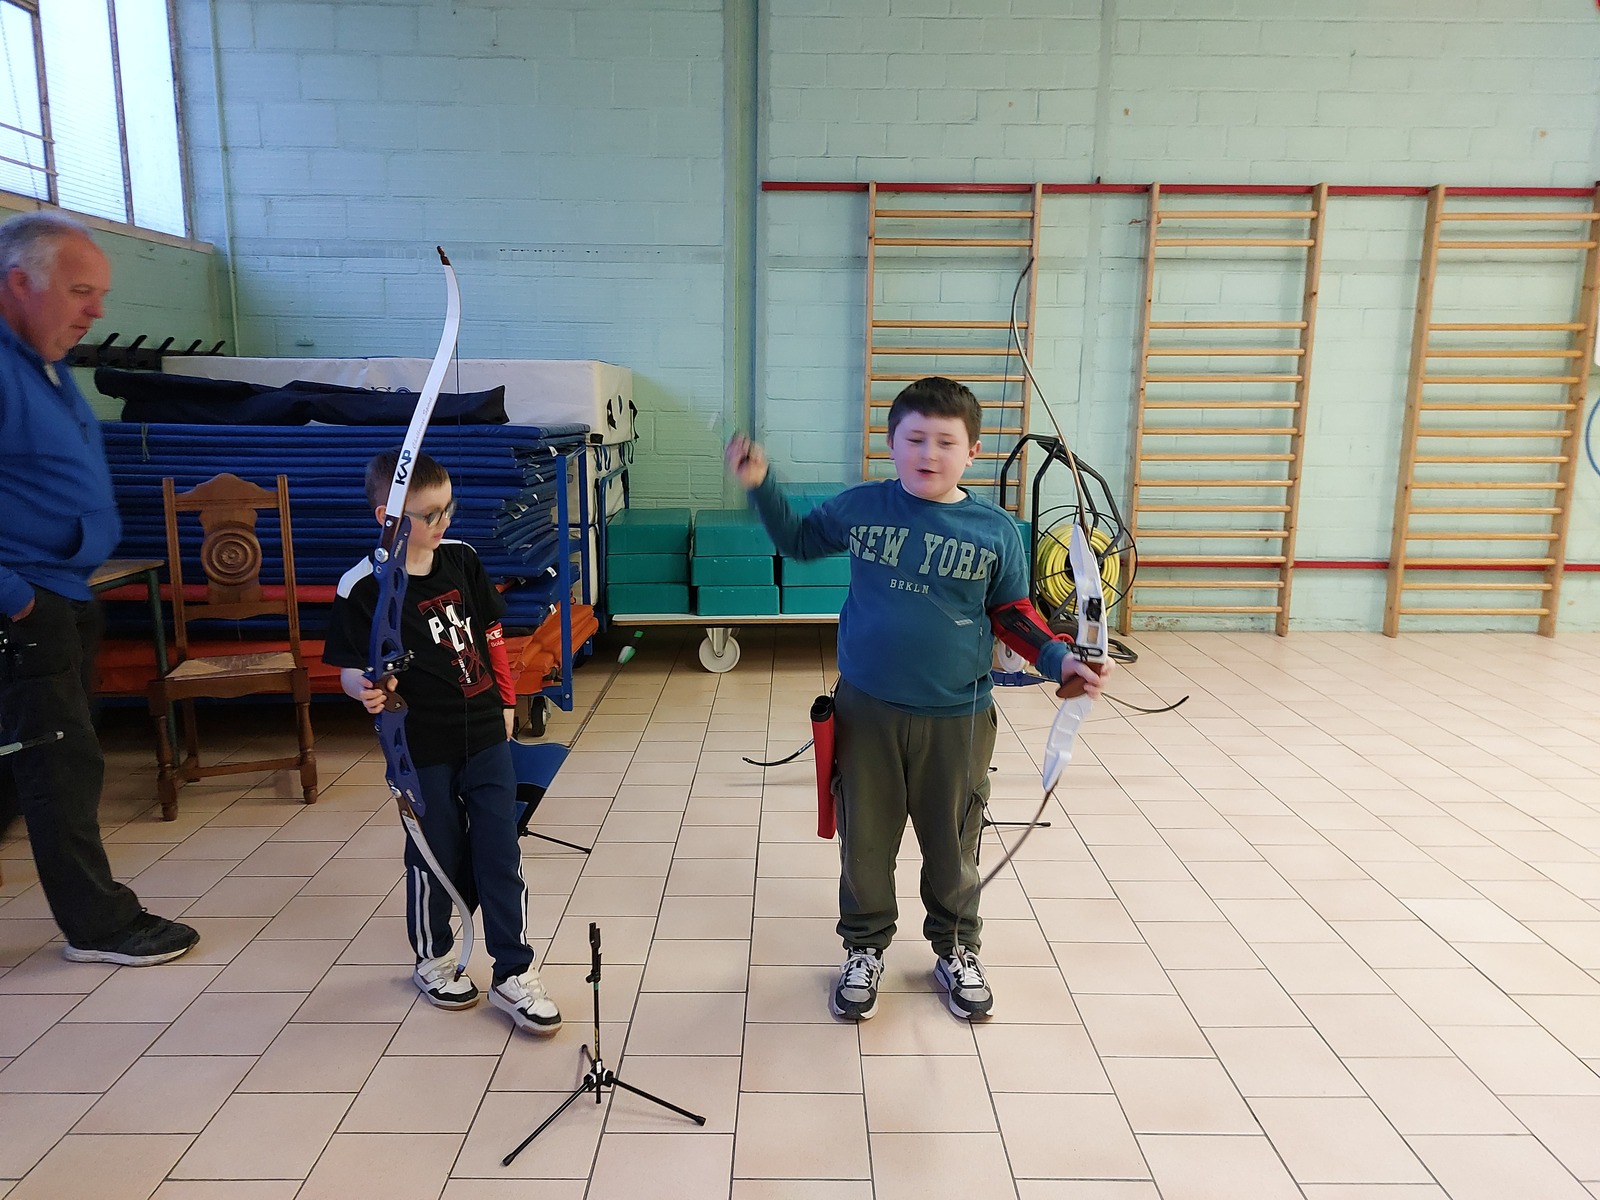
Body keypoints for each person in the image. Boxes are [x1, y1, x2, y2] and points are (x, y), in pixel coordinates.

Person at [727, 376, 1110, 1022]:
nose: (928, 453)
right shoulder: (863, 507)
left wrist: (1060, 658)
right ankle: (864, 948)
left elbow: (1013, 614)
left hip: (958, 720)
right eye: (914, 439)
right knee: (865, 840)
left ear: (973, 452)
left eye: (945, 442)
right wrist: (761, 484)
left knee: (954, 842)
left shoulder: (995, 531)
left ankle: (956, 947)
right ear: (891, 443)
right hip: (867, 712)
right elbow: (798, 541)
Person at [0, 210, 199, 965]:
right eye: (81, 292)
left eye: (101, 294)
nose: (97, 311)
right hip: (26, 604)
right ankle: (100, 926)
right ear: (20, 283)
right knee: (59, 767)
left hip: (62, 594)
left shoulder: (40, 359)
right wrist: (14, 595)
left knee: (24, 764)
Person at [323, 449, 560, 1036]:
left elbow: (491, 635)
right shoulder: (361, 586)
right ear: (387, 518)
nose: (444, 521)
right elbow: (349, 667)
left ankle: (513, 971)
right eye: (429, 514)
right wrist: (363, 688)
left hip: (483, 731)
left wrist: (506, 702)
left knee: (500, 849)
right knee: (436, 853)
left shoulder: (461, 558)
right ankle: (433, 958)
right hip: (420, 746)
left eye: (448, 508)